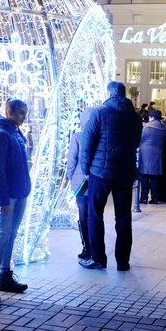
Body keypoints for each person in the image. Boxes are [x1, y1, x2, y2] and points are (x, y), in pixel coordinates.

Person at [80, 81, 142, 271]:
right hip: (125, 172)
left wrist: (85, 168)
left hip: (100, 171)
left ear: (109, 94)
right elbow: (136, 142)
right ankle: (123, 261)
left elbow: (88, 141)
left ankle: (98, 258)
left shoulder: (100, 113)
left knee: (95, 214)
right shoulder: (134, 117)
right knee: (123, 216)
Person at [0, 99, 32, 306]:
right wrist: (2, 198)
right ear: (10, 112)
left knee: (11, 235)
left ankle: (5, 275)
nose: (24, 117)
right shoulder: (1, 136)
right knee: (1, 236)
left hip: (20, 193)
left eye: (25, 113)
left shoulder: (14, 132)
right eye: (21, 113)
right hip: (9, 195)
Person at [67, 107, 94, 260]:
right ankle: (95, 247)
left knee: (83, 214)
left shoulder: (77, 137)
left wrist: (71, 177)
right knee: (95, 214)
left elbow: (72, 160)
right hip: (96, 180)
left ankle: (86, 248)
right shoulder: (100, 136)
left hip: (81, 181)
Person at [138, 109, 166, 204]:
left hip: (146, 154)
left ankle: (144, 197)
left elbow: (140, 139)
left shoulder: (147, 127)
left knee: (144, 176)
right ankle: (155, 198)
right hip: (158, 154)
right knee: (155, 178)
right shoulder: (163, 128)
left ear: (152, 117)